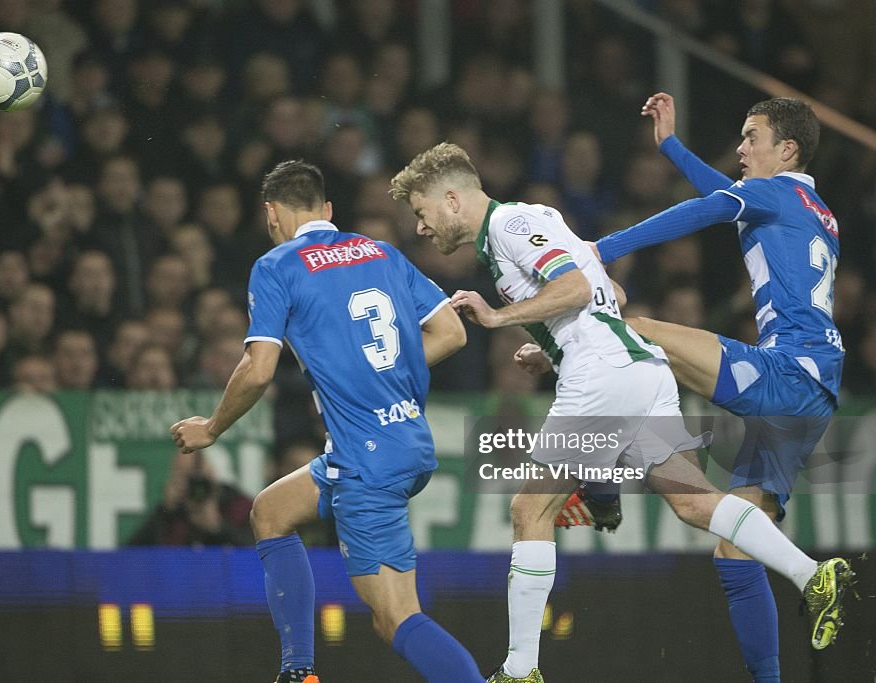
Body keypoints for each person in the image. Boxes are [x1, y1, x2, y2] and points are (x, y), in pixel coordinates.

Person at [389, 142, 853, 683]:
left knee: (529, 510)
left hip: (603, 374)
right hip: (641, 371)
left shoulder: (510, 225)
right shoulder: (532, 223)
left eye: (420, 213)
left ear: (451, 199)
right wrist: (551, 345)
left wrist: (498, 318)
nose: (420, 228)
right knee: (695, 504)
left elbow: (580, 286)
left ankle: (520, 670)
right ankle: (813, 574)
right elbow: (610, 289)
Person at [171, 160, 483, 683]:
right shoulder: (382, 252)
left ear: (271, 213)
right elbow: (452, 333)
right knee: (270, 512)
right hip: (402, 440)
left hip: (367, 462)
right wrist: (378, 373)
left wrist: (212, 427)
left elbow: (257, 369)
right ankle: (299, 672)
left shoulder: (277, 266)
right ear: (328, 211)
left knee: (396, 618)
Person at [593, 93, 849, 680]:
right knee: (736, 542)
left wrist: (598, 250)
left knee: (634, 333)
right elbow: (725, 197)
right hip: (817, 389)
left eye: (751, 136)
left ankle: (600, 476)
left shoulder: (772, 193)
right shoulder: (810, 204)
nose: (740, 147)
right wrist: (671, 146)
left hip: (788, 371)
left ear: (786, 150)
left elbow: (701, 211)